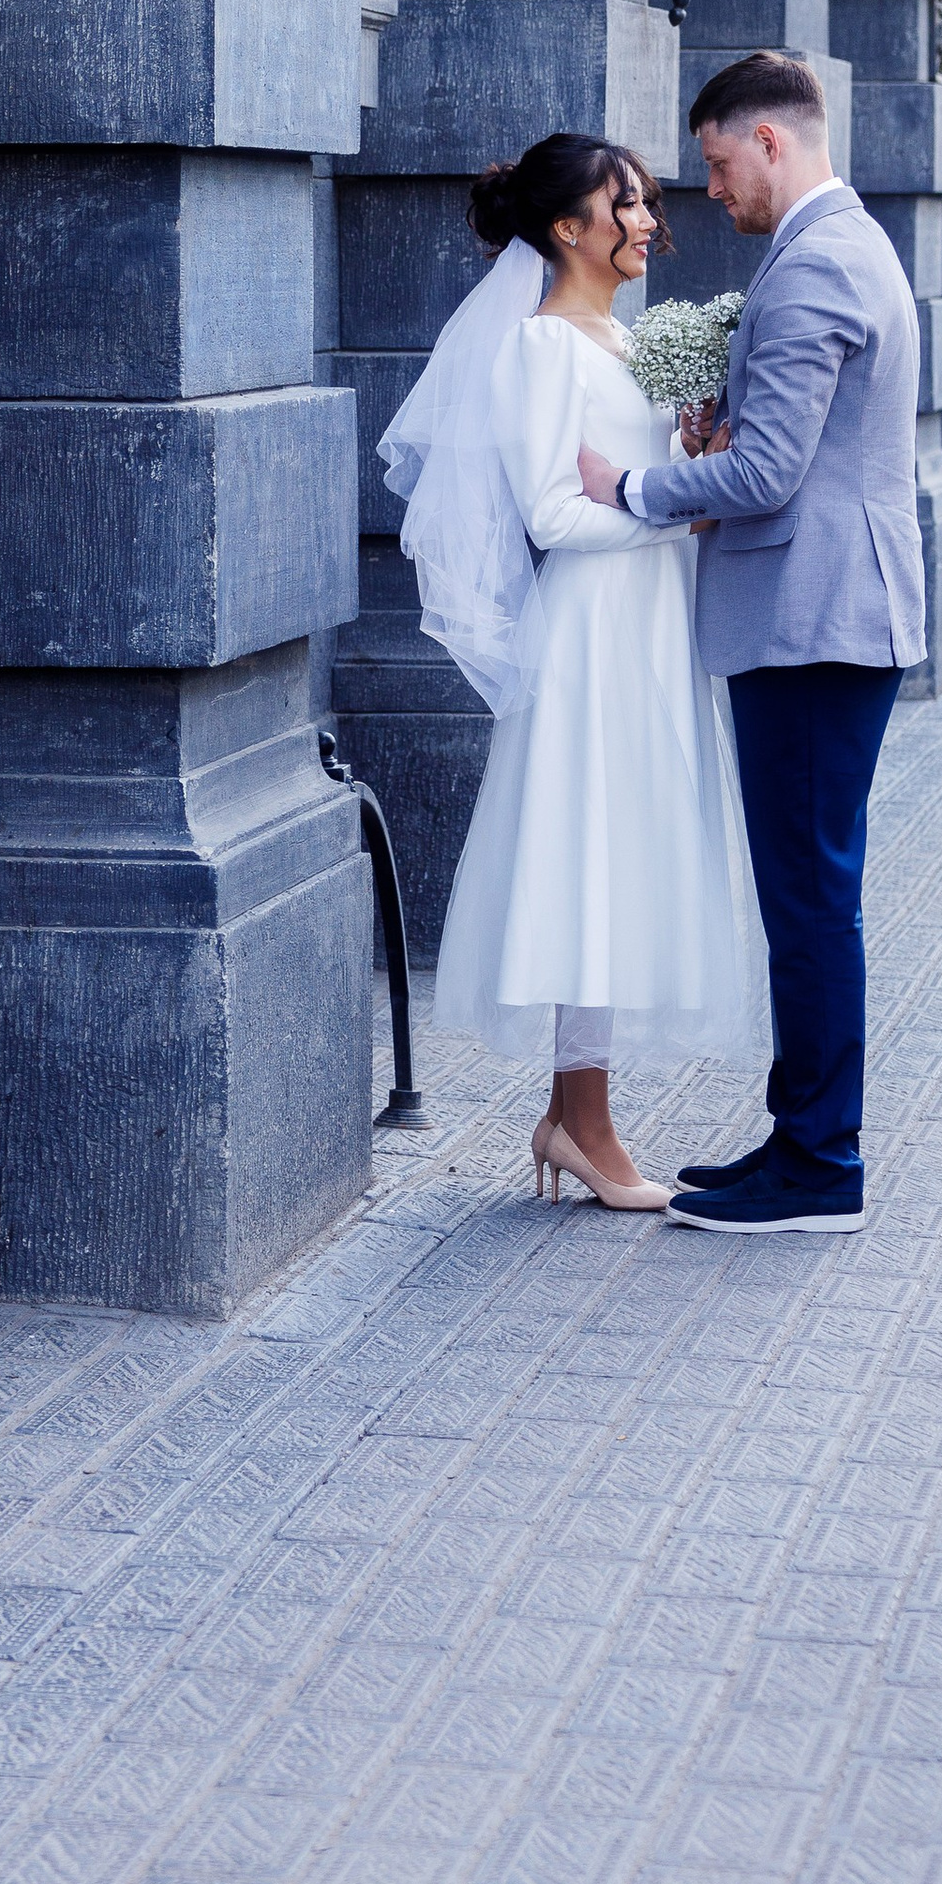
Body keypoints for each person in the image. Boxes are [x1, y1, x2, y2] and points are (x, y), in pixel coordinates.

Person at [379, 135, 768, 1212]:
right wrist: (671, 508)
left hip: (645, 627)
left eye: (643, 204)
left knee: (622, 861)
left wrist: (685, 459)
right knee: (593, 866)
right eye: (626, 206)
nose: (647, 221)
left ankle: (572, 1116)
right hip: (595, 634)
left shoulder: (618, 337)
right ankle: (582, 1127)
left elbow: (626, 482)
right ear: (567, 229)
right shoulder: (544, 346)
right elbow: (552, 511)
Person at [578, 50, 922, 1234]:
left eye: (718, 164)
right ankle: (799, 1136)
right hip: (825, 613)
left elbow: (770, 475)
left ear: (769, 141)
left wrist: (633, 484)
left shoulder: (819, 260)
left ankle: (821, 1166)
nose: (708, 191)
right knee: (806, 890)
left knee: (812, 898)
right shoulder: (839, 244)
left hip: (815, 621)